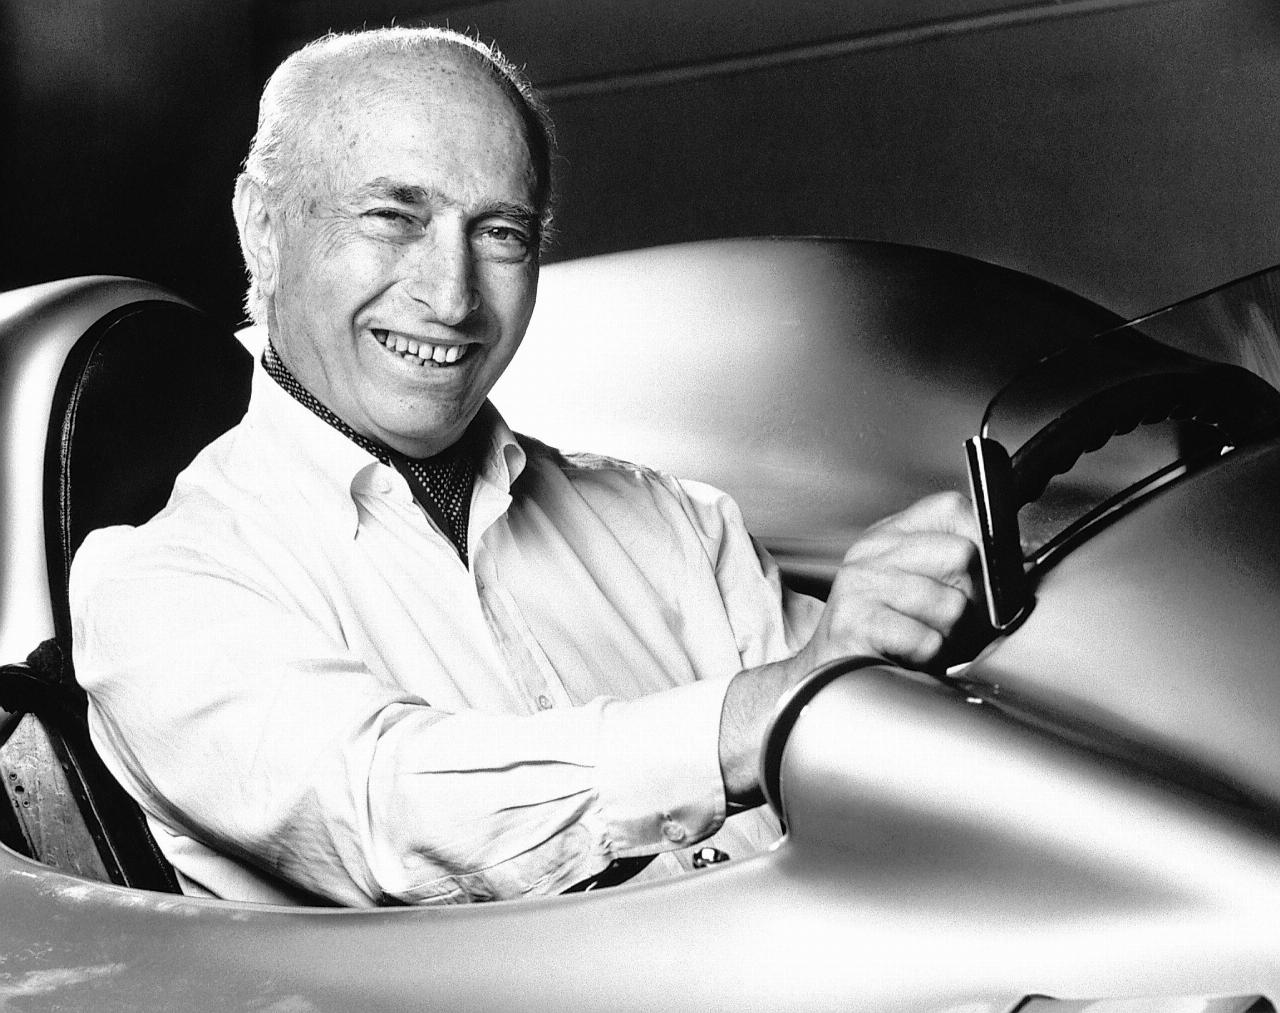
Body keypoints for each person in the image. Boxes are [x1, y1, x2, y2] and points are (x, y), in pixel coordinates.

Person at [69, 26, 980, 906]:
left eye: (500, 232)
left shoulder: (670, 520)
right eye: (393, 217)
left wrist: (929, 622)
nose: (452, 296)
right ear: (263, 228)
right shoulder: (155, 588)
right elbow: (391, 813)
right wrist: (767, 710)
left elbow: (881, 765)